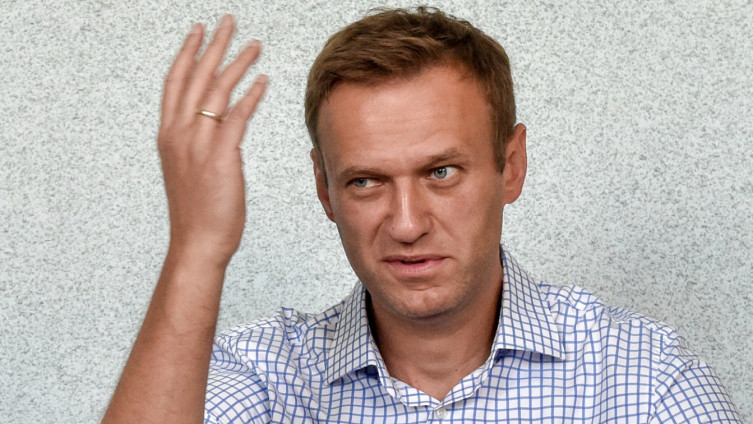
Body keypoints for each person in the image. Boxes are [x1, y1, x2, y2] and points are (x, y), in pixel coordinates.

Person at [102, 7, 741, 423]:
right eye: (366, 181)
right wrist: (197, 249)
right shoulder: (262, 379)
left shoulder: (646, 381)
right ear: (323, 189)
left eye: (441, 173)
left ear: (511, 166)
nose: (406, 225)